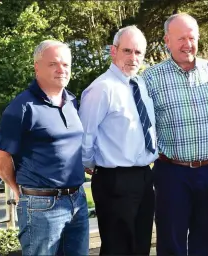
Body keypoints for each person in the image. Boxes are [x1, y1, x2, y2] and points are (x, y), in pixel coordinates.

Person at [142, 13, 208, 255]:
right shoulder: (150, 78)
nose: (187, 44)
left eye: (191, 37)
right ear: (167, 40)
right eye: (180, 38)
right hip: (172, 173)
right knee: (172, 241)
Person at [0, 40, 89, 255]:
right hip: (41, 206)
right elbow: (0, 157)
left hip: (77, 201)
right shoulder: (21, 107)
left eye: (66, 64)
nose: (61, 69)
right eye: (53, 64)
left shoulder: (72, 102)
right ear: (37, 66)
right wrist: (18, 190)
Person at [78, 25, 157, 255]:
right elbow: (85, 137)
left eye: (138, 52)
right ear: (114, 51)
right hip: (115, 180)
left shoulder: (140, 84)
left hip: (144, 176)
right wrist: (94, 165)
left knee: (141, 246)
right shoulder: (101, 89)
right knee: (118, 249)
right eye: (127, 51)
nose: (134, 58)